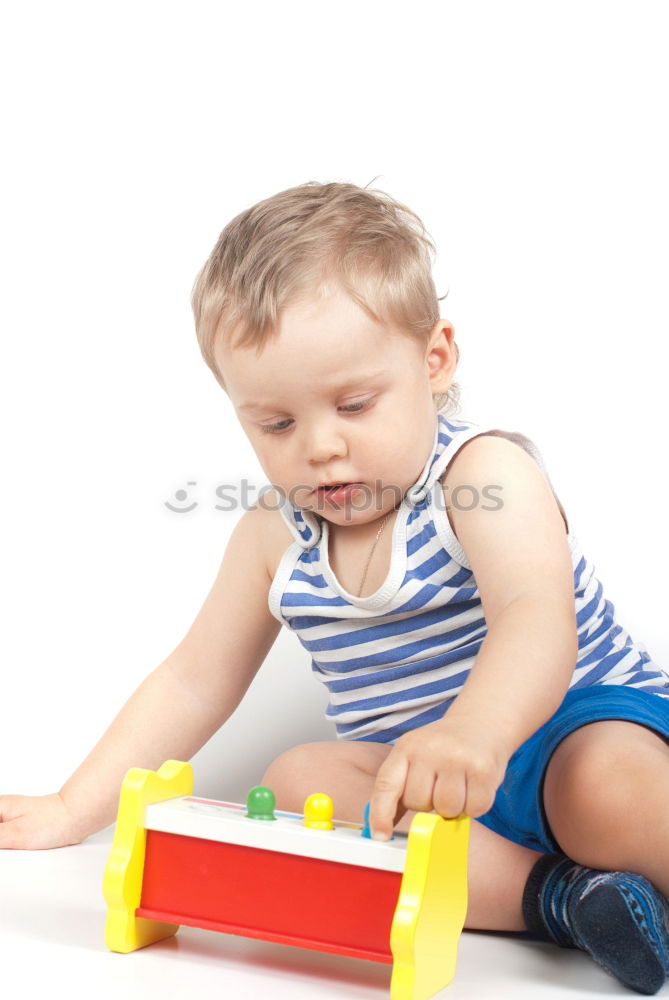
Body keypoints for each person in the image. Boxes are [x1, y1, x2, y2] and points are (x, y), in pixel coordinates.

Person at [2, 181, 669, 995]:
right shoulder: (272, 537)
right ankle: (567, 902)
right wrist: (75, 807)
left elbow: (535, 619)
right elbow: (192, 678)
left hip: (571, 726)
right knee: (297, 783)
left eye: (353, 404)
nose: (320, 447)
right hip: (424, 779)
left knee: (604, 789)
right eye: (276, 424)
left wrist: (472, 738)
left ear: (434, 361)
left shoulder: (482, 476)